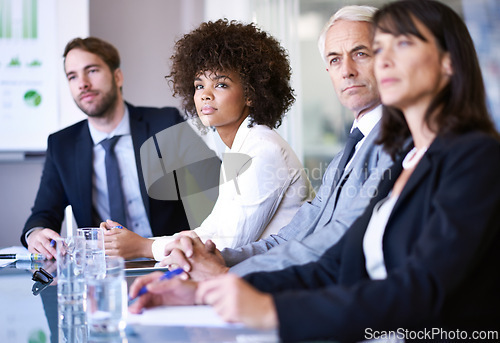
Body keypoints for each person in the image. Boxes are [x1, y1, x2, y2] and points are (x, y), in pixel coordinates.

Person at [128, 1, 500, 341]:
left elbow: (419, 289)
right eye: (379, 49)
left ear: (450, 61)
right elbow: (335, 263)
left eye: (396, 47)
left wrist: (260, 300)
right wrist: (207, 291)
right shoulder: (404, 156)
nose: (381, 62)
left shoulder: (474, 156)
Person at [158, 5, 393, 280]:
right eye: (334, 59)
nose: (347, 71)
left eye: (360, 54)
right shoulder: (344, 156)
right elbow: (286, 241)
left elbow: (332, 248)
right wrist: (217, 258)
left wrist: (226, 275)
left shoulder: (397, 145)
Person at [102, 19, 315, 261]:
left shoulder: (263, 149)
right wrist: (134, 242)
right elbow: (210, 230)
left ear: (251, 94)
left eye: (221, 84)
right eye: (199, 85)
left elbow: (224, 245)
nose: (205, 95)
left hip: (277, 287)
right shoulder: (239, 149)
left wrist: (143, 247)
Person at [21, 37, 191, 259]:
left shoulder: (165, 123)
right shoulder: (62, 144)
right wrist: (36, 234)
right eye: (72, 76)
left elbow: (212, 195)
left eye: (91, 71)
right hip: (101, 269)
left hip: (167, 260)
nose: (82, 83)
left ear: (117, 76)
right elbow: (43, 214)